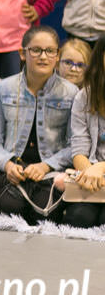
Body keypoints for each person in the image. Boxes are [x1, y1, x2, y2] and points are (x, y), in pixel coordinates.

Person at [0, 25, 77, 225]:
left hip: (51, 173)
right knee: (11, 210)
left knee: (44, 213)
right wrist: (7, 164)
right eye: (36, 50)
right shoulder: (3, 89)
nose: (43, 56)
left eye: (50, 51)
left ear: (57, 55)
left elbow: (75, 146)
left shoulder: (71, 93)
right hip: (13, 171)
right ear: (22, 53)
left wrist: (46, 166)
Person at [64, 38, 105, 227]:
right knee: (78, 219)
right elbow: (79, 149)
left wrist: (100, 168)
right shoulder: (84, 97)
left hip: (97, 171)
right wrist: (90, 172)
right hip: (91, 175)